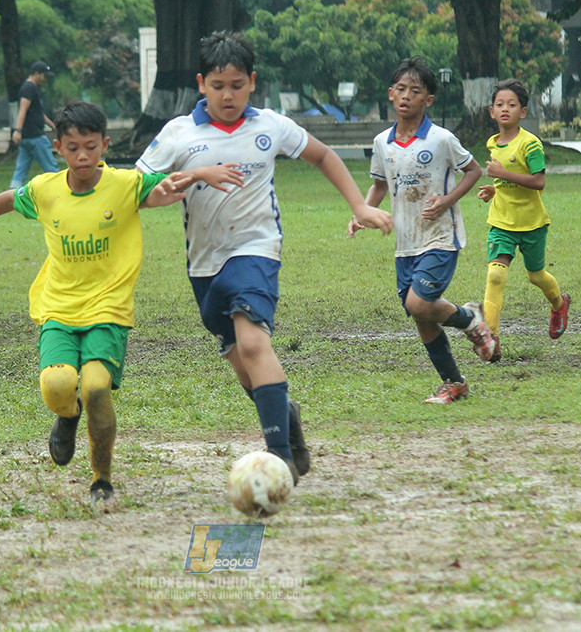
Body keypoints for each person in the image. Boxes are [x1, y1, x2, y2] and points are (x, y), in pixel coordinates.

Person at [0, 101, 241, 509]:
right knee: (58, 386)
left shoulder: (123, 185)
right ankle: (68, 417)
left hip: (109, 309)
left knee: (97, 387)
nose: (82, 156)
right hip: (59, 308)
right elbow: (9, 198)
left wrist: (203, 172)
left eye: (90, 146)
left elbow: (166, 186)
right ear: (57, 148)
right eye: (72, 148)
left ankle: (102, 479)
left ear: (104, 145)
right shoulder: (46, 190)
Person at [136, 30, 394, 484]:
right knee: (244, 366)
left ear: (252, 82)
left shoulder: (270, 125)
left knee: (255, 344)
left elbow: (323, 156)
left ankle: (280, 458)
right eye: (218, 86)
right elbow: (137, 193)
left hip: (257, 249)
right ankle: (286, 416)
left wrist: (359, 205)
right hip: (204, 265)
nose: (228, 95)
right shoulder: (178, 134)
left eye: (237, 85)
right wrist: (196, 174)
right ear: (201, 83)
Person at [348, 56, 498, 404]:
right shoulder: (382, 142)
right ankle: (454, 382)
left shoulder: (442, 139)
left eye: (415, 91)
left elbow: (474, 171)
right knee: (422, 317)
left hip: (440, 237)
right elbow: (380, 185)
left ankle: (471, 320)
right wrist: (364, 212)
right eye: (400, 89)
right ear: (390, 93)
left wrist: (447, 200)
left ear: (428, 100)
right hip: (405, 243)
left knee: (419, 303)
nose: (406, 96)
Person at [476, 79, 570, 362]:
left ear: (523, 112)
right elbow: (505, 180)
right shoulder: (493, 143)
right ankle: (490, 339)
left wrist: (502, 176)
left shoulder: (531, 144)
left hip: (532, 224)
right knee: (495, 275)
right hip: (502, 222)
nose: (505, 109)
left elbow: (538, 182)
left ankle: (558, 303)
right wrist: (495, 189)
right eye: (500, 105)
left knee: (536, 276)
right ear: (491, 111)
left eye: (512, 105)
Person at [9, 60, 61, 189]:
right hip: (35, 136)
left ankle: (12, 193)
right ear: (36, 73)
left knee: (20, 170)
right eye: (44, 75)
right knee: (51, 168)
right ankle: (61, 189)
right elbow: (22, 110)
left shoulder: (31, 88)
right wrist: (18, 130)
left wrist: (52, 126)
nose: (45, 79)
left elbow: (38, 113)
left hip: (27, 138)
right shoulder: (29, 88)